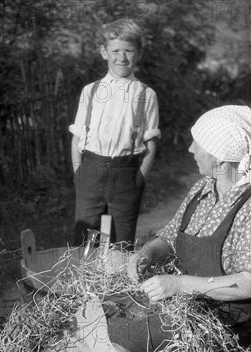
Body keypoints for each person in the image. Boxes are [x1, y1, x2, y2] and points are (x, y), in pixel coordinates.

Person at [18, 105, 251, 352]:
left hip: (220, 319)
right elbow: (170, 237)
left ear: (220, 157)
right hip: (180, 300)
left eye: (197, 144)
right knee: (92, 312)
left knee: (118, 337)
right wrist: (147, 253)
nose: (190, 149)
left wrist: (179, 284)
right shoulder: (205, 187)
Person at [69, 18, 160, 249]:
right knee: (83, 239)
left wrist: (140, 176)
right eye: (115, 50)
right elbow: (78, 135)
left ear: (138, 53)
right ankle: (82, 282)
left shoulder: (146, 94)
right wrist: (79, 171)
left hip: (126, 173)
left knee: (122, 242)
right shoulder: (91, 90)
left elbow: (150, 141)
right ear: (104, 52)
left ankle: (116, 280)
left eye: (129, 51)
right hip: (91, 170)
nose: (122, 57)